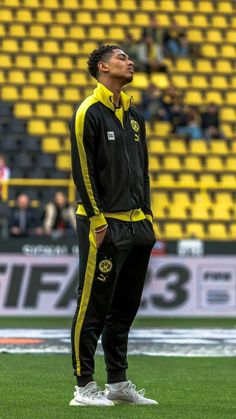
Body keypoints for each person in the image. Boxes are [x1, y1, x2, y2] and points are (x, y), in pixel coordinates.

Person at [69, 44, 157, 407]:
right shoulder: (88, 112)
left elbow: (144, 172)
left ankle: (118, 384)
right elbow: (83, 170)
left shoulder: (135, 116)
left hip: (137, 227)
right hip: (103, 225)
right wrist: (97, 219)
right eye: (122, 57)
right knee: (92, 306)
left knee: (125, 309)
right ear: (103, 67)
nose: (130, 62)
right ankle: (84, 386)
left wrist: (148, 216)